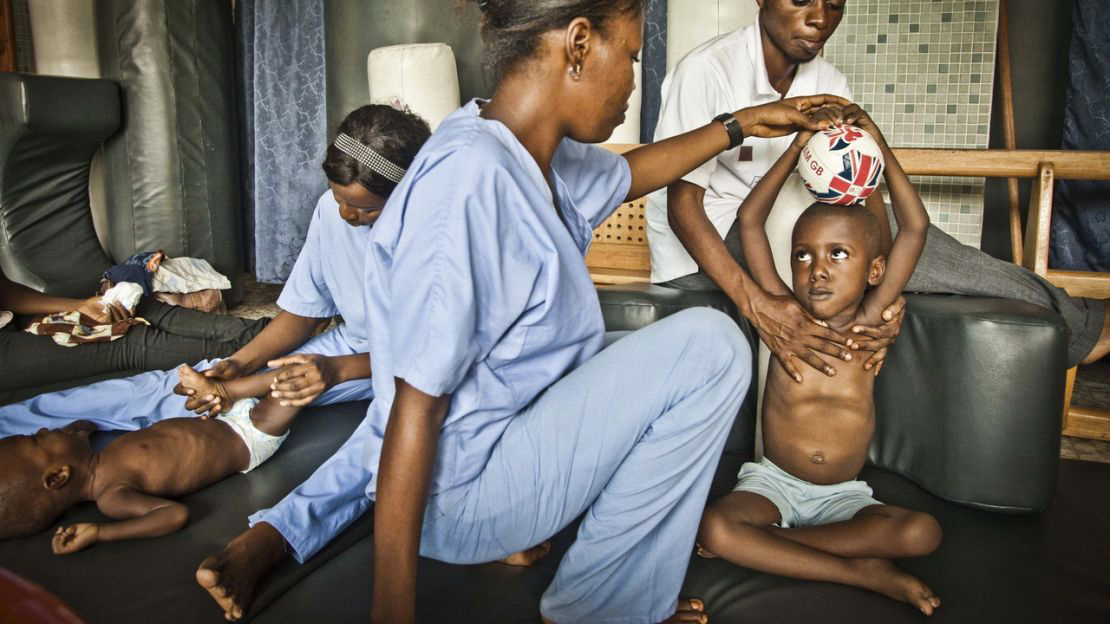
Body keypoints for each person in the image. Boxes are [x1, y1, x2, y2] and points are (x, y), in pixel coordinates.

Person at [299, 2, 862, 623]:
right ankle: (606, 607)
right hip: (459, 494)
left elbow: (628, 173)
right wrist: (392, 613)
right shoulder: (468, 185)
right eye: (629, 57)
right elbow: (413, 401)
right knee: (712, 346)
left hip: (501, 447)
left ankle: (611, 591)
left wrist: (742, 124)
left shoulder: (520, 147)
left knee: (654, 349)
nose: (630, 82)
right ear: (578, 43)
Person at [648, 0, 1110, 374]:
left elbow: (864, 200)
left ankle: (1082, 322)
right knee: (850, 228)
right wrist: (760, 306)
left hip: (786, 228)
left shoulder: (827, 82)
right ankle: (1088, 324)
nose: (819, 19)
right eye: (801, 1)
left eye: (833, 5)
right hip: (703, 246)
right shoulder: (707, 70)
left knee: (874, 225)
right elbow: (683, 207)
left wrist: (886, 292)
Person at [0, 104, 430, 439]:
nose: (346, 215)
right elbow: (305, 311)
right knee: (188, 384)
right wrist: (239, 364)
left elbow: (436, 356)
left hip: (410, 371)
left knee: (257, 399)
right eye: (339, 199)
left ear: (408, 191)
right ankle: (12, 425)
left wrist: (331, 370)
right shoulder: (331, 213)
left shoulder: (438, 240)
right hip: (349, 347)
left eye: (364, 209)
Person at [697, 107, 943, 616]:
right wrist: (795, 148)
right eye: (803, 255)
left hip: (844, 499)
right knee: (715, 527)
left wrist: (874, 142)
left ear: (875, 269)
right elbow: (749, 221)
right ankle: (862, 572)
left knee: (923, 532)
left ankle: (773, 547)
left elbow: (914, 228)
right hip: (773, 485)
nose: (817, 271)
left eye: (838, 255)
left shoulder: (872, 320)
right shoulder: (785, 315)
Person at [0, 396, 299, 554]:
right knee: (299, 380)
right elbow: (173, 515)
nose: (41, 430)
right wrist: (101, 533)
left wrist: (74, 435)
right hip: (248, 438)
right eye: (36, 440)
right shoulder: (112, 496)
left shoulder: (91, 457)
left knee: (252, 372)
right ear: (58, 477)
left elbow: (82, 428)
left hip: (224, 416)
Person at [0, 266, 268, 405]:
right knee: (124, 339)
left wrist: (78, 306)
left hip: (11, 318)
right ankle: (267, 352)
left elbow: (5, 292)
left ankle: (267, 332)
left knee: (124, 306)